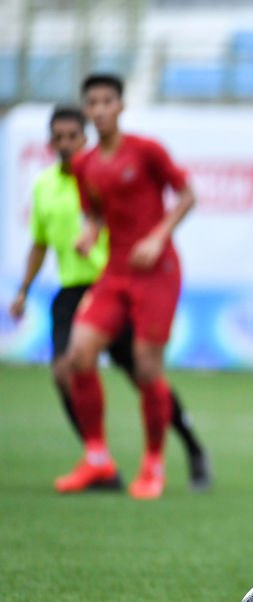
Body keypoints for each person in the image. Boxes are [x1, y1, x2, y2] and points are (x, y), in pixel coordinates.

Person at [8, 106, 210, 492]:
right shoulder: (45, 186)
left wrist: (135, 238)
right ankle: (96, 458)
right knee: (67, 368)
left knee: (144, 374)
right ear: (49, 143)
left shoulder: (102, 170)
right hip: (74, 289)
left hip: (117, 281)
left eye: (72, 137)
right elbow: (40, 243)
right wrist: (23, 290)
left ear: (85, 138)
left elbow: (112, 215)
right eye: (57, 138)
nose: (64, 145)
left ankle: (190, 447)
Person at [57, 74, 196, 500]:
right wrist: (89, 232)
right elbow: (94, 213)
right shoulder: (85, 164)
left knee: (146, 366)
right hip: (115, 272)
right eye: (92, 103)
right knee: (78, 356)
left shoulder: (147, 151)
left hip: (157, 271)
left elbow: (187, 195)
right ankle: (97, 458)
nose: (99, 109)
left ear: (120, 106)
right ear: (87, 111)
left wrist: (157, 236)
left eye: (106, 101)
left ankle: (153, 463)